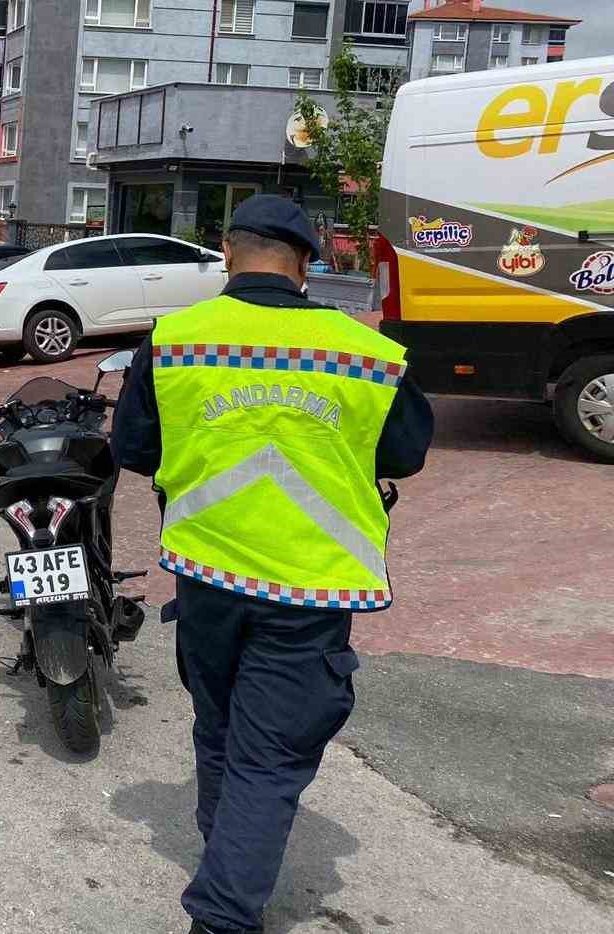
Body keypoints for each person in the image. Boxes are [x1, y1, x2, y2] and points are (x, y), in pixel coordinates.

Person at [110, 195, 433, 934]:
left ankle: (226, 851)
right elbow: (406, 455)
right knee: (271, 756)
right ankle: (223, 912)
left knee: (221, 728)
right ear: (307, 264)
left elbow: (134, 449)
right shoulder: (365, 353)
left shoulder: (176, 338)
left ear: (228, 250)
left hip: (207, 577)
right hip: (310, 588)